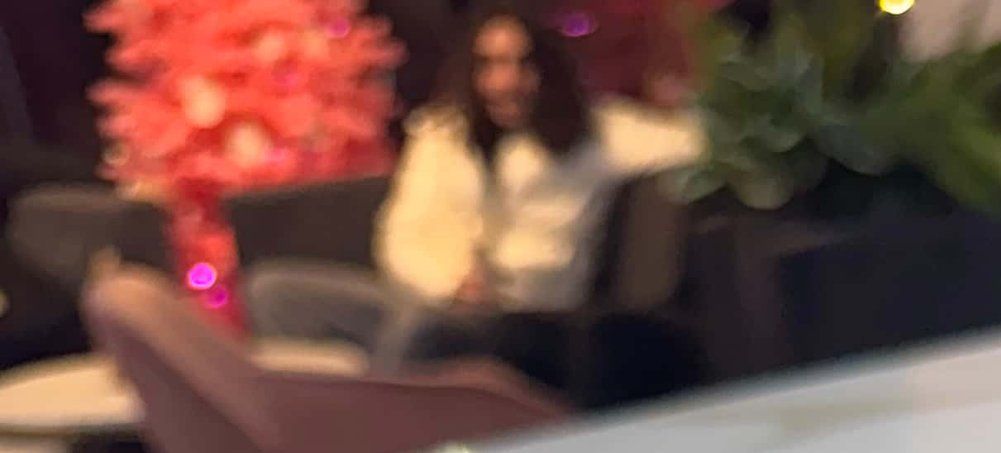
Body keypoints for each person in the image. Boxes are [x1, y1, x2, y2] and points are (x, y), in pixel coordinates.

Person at [242, 7, 695, 387]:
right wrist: (451, 283)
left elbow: (691, 141)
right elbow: (401, 235)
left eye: (521, 64)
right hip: (430, 299)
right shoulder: (442, 135)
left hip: (522, 321)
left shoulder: (597, 134)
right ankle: (310, 429)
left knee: (423, 333)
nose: (506, 81)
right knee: (275, 293)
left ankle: (381, 440)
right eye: (491, 65)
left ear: (546, 69)